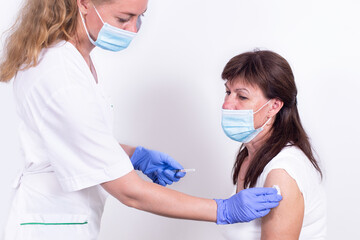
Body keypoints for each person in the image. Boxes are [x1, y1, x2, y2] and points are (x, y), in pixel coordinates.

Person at [0, 0, 283, 239]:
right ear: (83, 3)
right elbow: (129, 192)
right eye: (124, 18)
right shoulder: (61, 75)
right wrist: (223, 210)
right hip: (48, 224)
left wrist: (134, 155)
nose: (132, 30)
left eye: (139, 18)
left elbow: (73, 138)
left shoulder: (73, 61)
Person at [218, 50, 327, 239]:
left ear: (274, 106)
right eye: (228, 92)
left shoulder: (281, 173)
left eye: (241, 97)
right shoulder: (250, 154)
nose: (227, 105)